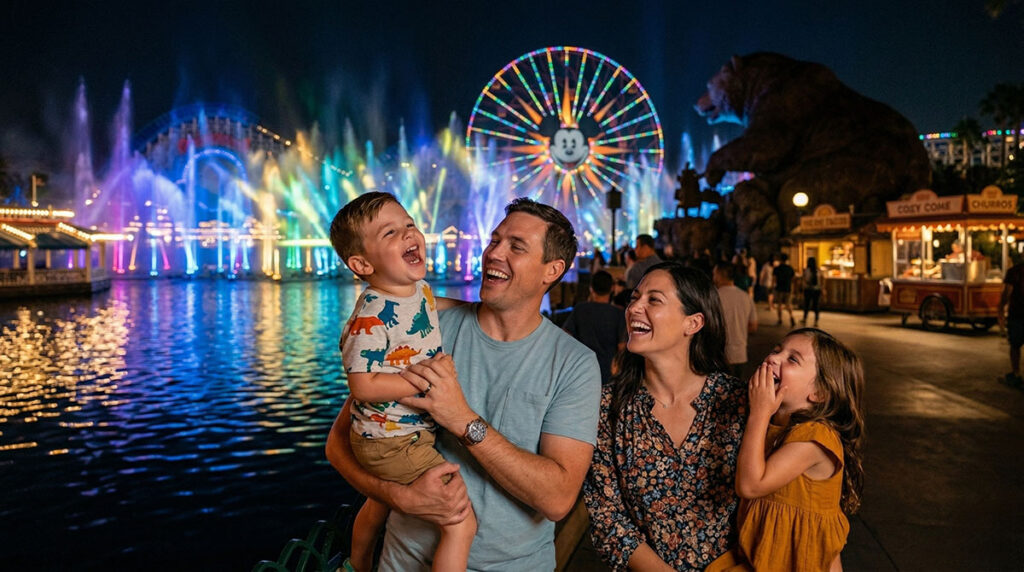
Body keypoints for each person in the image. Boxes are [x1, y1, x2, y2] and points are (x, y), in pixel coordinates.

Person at [325, 198, 601, 571]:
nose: (493, 253)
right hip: (402, 561)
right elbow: (340, 444)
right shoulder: (429, 327)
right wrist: (397, 496)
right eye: (494, 240)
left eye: (516, 247)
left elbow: (557, 499)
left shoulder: (574, 363)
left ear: (551, 270)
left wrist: (462, 419)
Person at [328, 191, 476, 571]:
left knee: (378, 502)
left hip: (400, 433)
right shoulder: (371, 315)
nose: (409, 234)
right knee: (460, 519)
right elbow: (362, 386)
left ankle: (357, 563)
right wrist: (424, 382)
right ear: (361, 263)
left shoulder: (417, 289)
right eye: (390, 233)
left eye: (409, 224)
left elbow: (430, 304)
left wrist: (477, 309)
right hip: (390, 440)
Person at [584, 262, 747, 570]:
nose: (634, 308)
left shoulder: (737, 402)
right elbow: (608, 519)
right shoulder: (609, 408)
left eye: (653, 300)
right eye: (634, 298)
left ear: (693, 323)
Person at [707, 328, 865, 571]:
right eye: (776, 350)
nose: (773, 358)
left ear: (819, 393)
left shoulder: (816, 437)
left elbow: (751, 485)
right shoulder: (776, 428)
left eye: (792, 359)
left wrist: (760, 412)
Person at [563, 270, 627, 384]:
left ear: (591, 288)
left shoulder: (580, 309)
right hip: (607, 373)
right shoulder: (618, 314)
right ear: (612, 288)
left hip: (581, 370)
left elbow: (565, 335)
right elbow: (622, 347)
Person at [713, 262, 758, 379]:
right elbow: (753, 327)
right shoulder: (746, 297)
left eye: (714, 274)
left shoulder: (714, 297)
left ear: (719, 275)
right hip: (740, 354)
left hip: (720, 354)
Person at [998, 259, 1024, 387]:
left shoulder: (1014, 271)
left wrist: (1001, 308)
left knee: (1015, 345)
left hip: (1018, 313)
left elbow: (1007, 292)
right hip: (1017, 313)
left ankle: (1016, 374)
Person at [773, 253, 796, 327]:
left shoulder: (777, 268)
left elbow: (774, 279)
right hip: (788, 288)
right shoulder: (790, 268)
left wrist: (772, 287)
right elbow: (793, 279)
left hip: (779, 288)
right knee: (788, 304)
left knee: (779, 304)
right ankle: (791, 317)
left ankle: (780, 320)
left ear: (780, 260)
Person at [802, 256, 823, 326]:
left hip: (808, 289)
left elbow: (804, 279)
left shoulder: (806, 270)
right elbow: (823, 279)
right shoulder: (818, 270)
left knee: (807, 304)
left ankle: (804, 319)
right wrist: (823, 288)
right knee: (816, 305)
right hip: (817, 289)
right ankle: (816, 321)